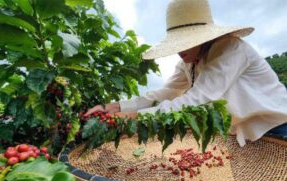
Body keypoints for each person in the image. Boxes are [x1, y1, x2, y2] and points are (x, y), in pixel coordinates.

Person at [85, 0, 287, 146]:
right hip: (243, 134)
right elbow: (163, 94)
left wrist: (131, 117)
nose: (180, 50)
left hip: (277, 127)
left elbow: (197, 99)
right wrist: (116, 106)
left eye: (186, 42)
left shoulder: (230, 49)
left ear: (203, 38)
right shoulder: (188, 62)